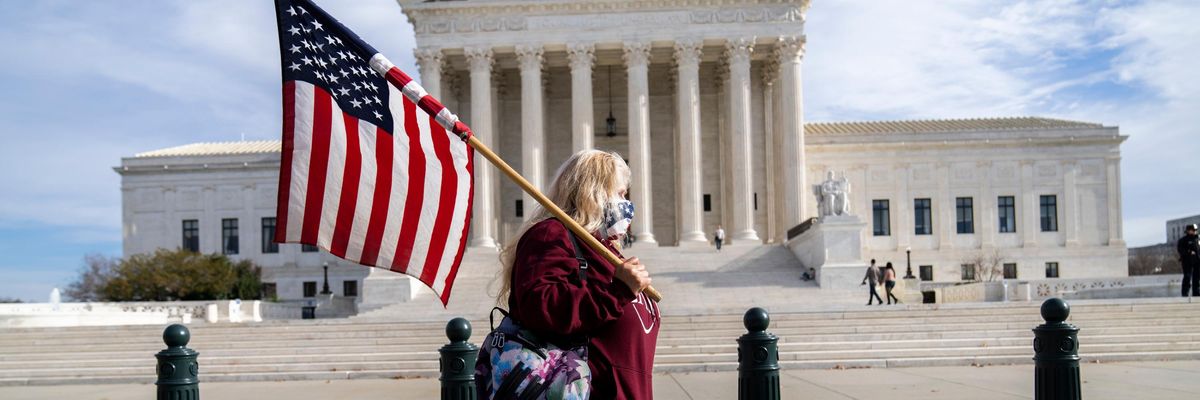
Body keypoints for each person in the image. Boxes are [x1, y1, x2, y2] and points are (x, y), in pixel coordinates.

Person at [497, 149, 659, 399]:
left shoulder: (602, 246)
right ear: (593, 192)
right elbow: (540, 306)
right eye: (620, 193)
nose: (626, 203)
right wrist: (618, 291)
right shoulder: (551, 235)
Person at [1178, 224, 1200, 297]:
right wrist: (1189, 252)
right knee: (1187, 277)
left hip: (1197, 261)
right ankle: (1185, 293)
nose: (1194, 232)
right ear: (1188, 230)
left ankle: (1196, 293)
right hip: (1187, 261)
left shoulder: (1198, 239)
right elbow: (1180, 250)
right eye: (1193, 230)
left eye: (1195, 230)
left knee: (1197, 278)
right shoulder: (1183, 240)